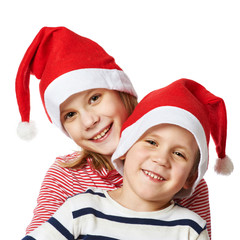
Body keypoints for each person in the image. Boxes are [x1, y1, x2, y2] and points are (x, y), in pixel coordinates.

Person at [16, 27, 213, 237]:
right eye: (70, 115)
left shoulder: (182, 180)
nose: (89, 121)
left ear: (122, 92)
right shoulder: (66, 179)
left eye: (95, 98)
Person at [21, 79, 233, 240]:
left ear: (190, 178)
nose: (160, 159)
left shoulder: (191, 229)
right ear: (124, 148)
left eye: (179, 154)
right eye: (151, 142)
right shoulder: (82, 209)